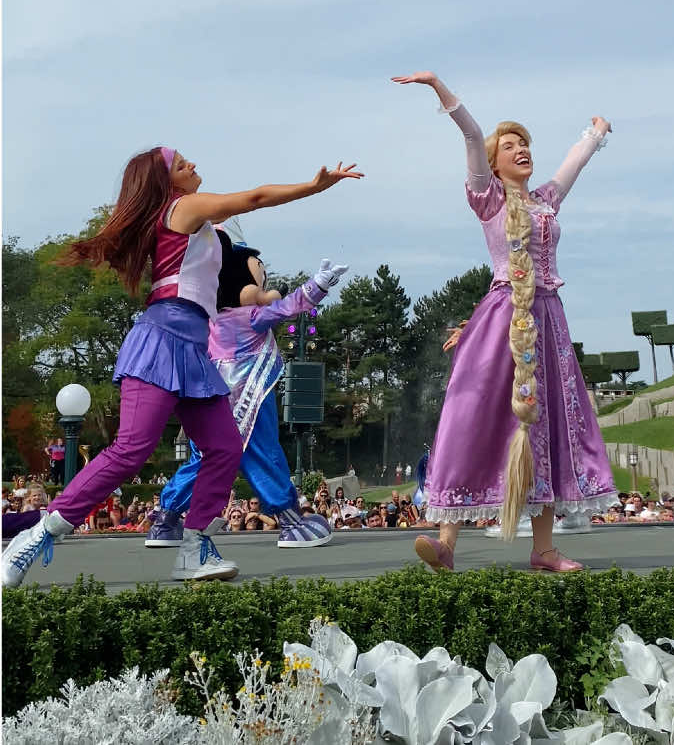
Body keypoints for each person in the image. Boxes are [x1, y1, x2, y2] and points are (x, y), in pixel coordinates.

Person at [2, 146, 362, 588]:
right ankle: (37, 536)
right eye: (180, 164)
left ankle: (193, 549)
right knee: (132, 449)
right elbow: (254, 198)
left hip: (194, 348)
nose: (192, 165)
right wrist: (313, 187)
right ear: (167, 183)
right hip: (162, 340)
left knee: (226, 447)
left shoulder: (194, 220)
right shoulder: (183, 206)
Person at [392, 71, 616, 573]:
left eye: (525, 144)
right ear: (494, 162)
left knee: (549, 422)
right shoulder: (487, 197)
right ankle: (447, 544)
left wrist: (596, 133)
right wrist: (438, 88)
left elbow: (572, 165)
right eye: (511, 145)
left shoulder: (545, 201)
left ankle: (543, 549)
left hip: (547, 320)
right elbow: (472, 135)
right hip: (503, 321)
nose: (521, 150)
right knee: (473, 417)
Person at [146, 232, 345, 550]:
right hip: (248, 395)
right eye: (257, 276)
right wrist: (318, 285)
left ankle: (166, 520)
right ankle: (291, 521)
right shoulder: (250, 317)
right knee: (261, 453)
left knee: (204, 458)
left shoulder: (208, 319)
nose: (263, 284)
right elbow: (288, 307)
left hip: (211, 397)